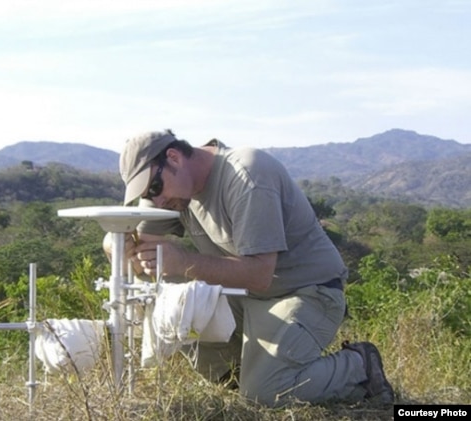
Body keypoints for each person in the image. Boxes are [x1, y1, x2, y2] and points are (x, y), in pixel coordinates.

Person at [105, 129, 395, 407]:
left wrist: (182, 261)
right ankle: (260, 371)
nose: (155, 200)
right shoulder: (174, 192)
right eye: (146, 194)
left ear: (174, 157)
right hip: (244, 295)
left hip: (304, 291)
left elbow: (259, 274)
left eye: (154, 188)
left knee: (265, 394)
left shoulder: (247, 175)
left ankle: (359, 366)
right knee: (190, 335)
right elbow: (140, 246)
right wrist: (117, 244)